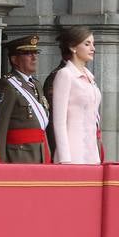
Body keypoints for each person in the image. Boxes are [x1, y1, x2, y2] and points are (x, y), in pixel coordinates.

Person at [51, 26, 102, 165]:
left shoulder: (90, 77)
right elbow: (59, 121)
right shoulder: (65, 75)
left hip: (91, 153)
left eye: (93, 44)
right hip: (73, 153)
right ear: (73, 47)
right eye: (87, 44)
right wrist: (65, 158)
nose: (93, 48)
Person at [0, 35, 50, 164]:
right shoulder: (7, 85)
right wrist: (0, 159)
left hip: (39, 151)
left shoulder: (36, 84)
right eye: (28, 53)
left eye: (35, 53)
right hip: (19, 154)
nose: (34, 57)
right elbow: (1, 127)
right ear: (14, 59)